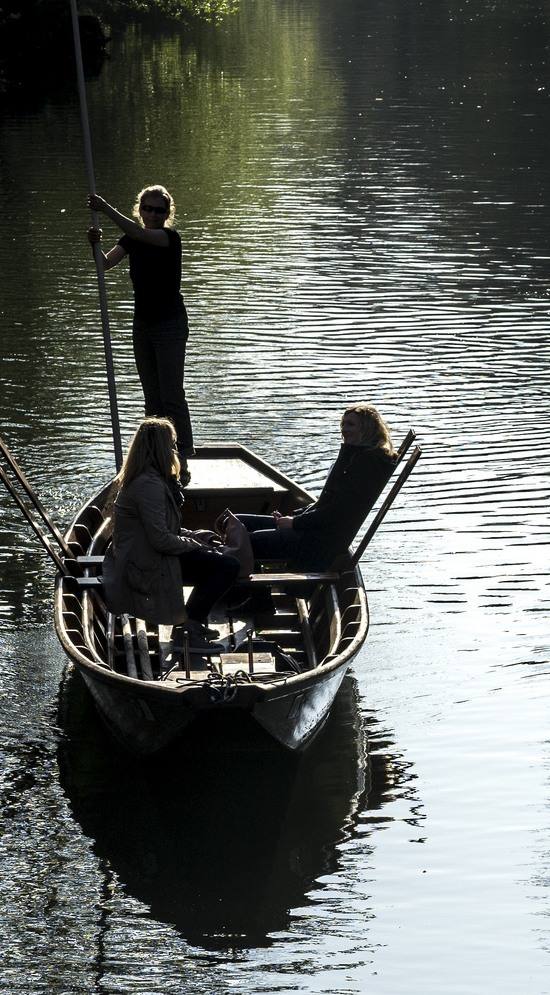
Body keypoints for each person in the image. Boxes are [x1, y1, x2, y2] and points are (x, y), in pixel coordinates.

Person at [102, 418, 241, 650]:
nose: (175, 450)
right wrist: (194, 546)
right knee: (228, 567)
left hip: (149, 553)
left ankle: (189, 623)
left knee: (215, 560)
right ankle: (188, 631)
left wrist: (195, 538)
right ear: (160, 448)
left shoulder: (150, 479)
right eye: (172, 444)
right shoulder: (149, 485)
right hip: (147, 562)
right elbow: (160, 540)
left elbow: (167, 531)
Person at [88, 186, 196, 485]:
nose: (152, 214)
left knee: (171, 395)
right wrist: (95, 245)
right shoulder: (131, 237)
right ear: (140, 209)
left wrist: (106, 208)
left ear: (167, 214)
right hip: (143, 324)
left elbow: (139, 235)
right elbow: (105, 265)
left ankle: (182, 462)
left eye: (159, 210)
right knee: (152, 397)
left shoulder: (168, 238)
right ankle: (157, 460)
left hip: (170, 324)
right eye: (147, 208)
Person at [230, 405, 398, 571]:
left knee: (242, 540)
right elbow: (326, 501)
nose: (344, 429)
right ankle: (259, 595)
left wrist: (295, 523)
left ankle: (259, 597)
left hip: (315, 541)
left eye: (351, 425)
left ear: (367, 429)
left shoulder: (365, 464)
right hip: (311, 530)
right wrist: (295, 517)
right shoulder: (355, 457)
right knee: (235, 521)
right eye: (343, 424)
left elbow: (336, 512)